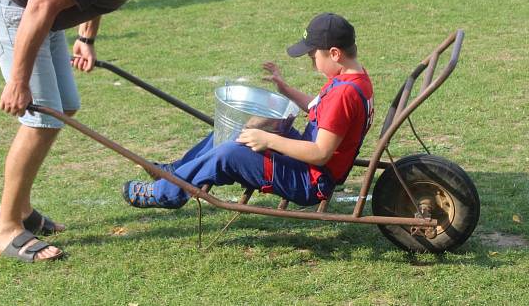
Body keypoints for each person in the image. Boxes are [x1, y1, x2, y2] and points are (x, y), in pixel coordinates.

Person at [0, 0, 219, 262]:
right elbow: (41, 2)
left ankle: (20, 209)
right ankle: (7, 227)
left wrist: (86, 38)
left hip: (42, 9)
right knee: (41, 118)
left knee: (64, 106)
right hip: (14, 2)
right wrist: (19, 80)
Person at [123, 12, 374, 211]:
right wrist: (285, 89)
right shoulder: (354, 79)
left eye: (312, 57)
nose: (312, 63)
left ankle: (166, 194)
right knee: (236, 129)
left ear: (334, 53)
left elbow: (320, 153)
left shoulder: (344, 93)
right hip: (306, 164)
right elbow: (322, 108)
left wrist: (268, 139)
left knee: (230, 153)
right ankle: (176, 173)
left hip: (310, 180)